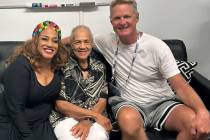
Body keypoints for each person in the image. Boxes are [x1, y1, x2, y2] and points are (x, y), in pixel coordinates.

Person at [93, 0, 210, 140]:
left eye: (127, 16)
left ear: (137, 17)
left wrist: (203, 112)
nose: (122, 22)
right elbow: (74, 39)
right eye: (117, 18)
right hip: (129, 103)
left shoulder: (157, 46)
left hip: (162, 103)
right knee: (129, 122)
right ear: (111, 21)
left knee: (193, 124)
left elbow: (180, 86)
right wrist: (58, 43)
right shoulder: (105, 41)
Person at [0, 20, 68, 140]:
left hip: (41, 124)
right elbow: (15, 110)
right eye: (44, 39)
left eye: (55, 41)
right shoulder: (21, 66)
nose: (50, 44)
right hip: (14, 125)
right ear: (35, 41)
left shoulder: (57, 67)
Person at [49, 25, 112, 140]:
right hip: (65, 118)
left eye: (86, 42)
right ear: (71, 44)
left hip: (94, 119)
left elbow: (102, 99)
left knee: (99, 137)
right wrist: (93, 116)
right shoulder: (61, 66)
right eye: (77, 42)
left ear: (92, 44)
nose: (82, 46)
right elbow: (60, 105)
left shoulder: (100, 67)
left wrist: (88, 120)